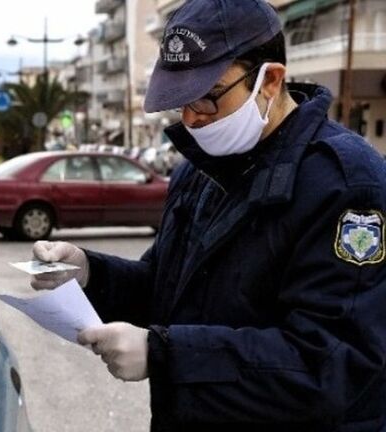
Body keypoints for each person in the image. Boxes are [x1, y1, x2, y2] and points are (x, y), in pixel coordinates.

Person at [31, 0, 386, 430]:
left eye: (206, 100)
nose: (191, 119)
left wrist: (164, 355)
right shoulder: (200, 170)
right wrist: (89, 273)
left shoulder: (347, 184)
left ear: (270, 80)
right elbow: (163, 288)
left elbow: (333, 365)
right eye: (180, 102)